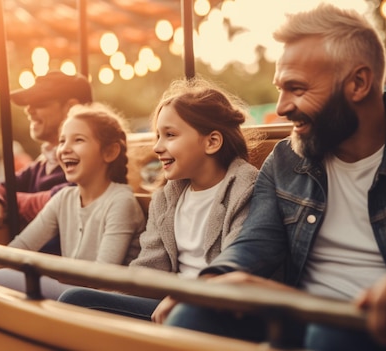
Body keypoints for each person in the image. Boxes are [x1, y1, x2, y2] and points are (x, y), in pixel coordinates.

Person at [163, 4, 386, 351]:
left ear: (358, 83)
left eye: (296, 88)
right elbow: (253, 246)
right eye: (280, 88)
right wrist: (209, 282)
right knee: (191, 315)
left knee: (334, 335)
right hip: (303, 322)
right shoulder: (284, 159)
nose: (282, 106)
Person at [57, 78, 259, 323]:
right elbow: (149, 267)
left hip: (220, 309)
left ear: (212, 142)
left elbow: (237, 267)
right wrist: (114, 297)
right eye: (157, 136)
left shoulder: (244, 189)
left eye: (170, 135)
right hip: (170, 302)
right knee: (76, 300)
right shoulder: (167, 197)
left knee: (183, 316)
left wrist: (184, 297)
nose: (157, 147)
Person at [0, 103, 146, 299]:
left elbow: (101, 279)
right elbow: (17, 250)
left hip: (104, 301)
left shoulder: (120, 201)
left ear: (109, 152)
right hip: (76, 294)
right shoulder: (64, 199)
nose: (65, 149)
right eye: (62, 141)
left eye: (78, 140)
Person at [0, 71, 92, 254]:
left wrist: (9, 201)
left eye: (40, 103)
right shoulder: (43, 164)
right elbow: (6, 186)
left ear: (71, 109)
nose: (29, 110)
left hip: (64, 269)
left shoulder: (88, 162)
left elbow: (57, 200)